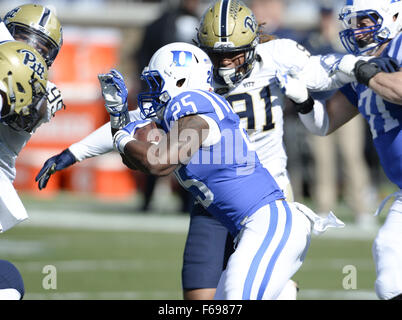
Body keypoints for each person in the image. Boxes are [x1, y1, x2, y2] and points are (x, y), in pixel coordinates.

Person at [36, 0, 352, 300]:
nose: (224, 64)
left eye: (233, 55)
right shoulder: (188, 97)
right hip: (221, 202)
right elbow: (137, 125)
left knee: (238, 296)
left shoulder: (201, 102)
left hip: (265, 196)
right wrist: (79, 149)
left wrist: (360, 67)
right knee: (202, 294)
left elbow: (156, 161)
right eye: (215, 55)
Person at [101, 41, 344, 299]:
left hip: (268, 223)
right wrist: (118, 121)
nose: (152, 91)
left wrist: (120, 138)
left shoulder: (196, 110)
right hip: (254, 227)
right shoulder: (181, 118)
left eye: (157, 82)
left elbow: (158, 161)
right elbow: (138, 159)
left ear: (181, 81)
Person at [276, 0, 402, 300]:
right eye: (354, 23)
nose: (358, 31)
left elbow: (398, 90)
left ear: (394, 16)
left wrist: (365, 74)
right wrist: (303, 100)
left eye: (365, 21)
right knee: (390, 275)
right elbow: (325, 122)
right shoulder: (367, 64)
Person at [301, 3, 376, 228]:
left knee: (352, 157)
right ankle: (324, 207)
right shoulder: (312, 41)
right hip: (321, 106)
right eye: (323, 15)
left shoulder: (346, 41)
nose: (326, 20)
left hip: (348, 108)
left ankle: (361, 207)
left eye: (329, 16)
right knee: (322, 161)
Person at [0, 4, 64, 232]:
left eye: (43, 47)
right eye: (24, 37)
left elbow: (27, 113)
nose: (32, 50)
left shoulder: (44, 90)